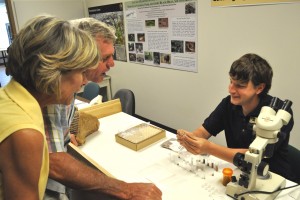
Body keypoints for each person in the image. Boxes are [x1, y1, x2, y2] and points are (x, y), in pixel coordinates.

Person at [43, 18, 162, 200]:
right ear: (80, 55)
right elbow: (52, 162)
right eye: (105, 58)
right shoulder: (55, 91)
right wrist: (126, 190)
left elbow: (60, 129)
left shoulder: (71, 87)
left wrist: (66, 135)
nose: (112, 64)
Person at [0, 15, 100, 200]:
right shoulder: (25, 132)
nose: (84, 81)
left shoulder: (10, 100)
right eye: (81, 72)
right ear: (53, 71)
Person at [177, 53, 295, 182]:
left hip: (272, 177)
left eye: (240, 85)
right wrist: (189, 138)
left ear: (259, 88)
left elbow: (255, 156)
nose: (231, 90)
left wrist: (208, 147)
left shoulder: (279, 115)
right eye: (231, 82)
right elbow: (204, 132)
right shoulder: (228, 104)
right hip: (240, 172)